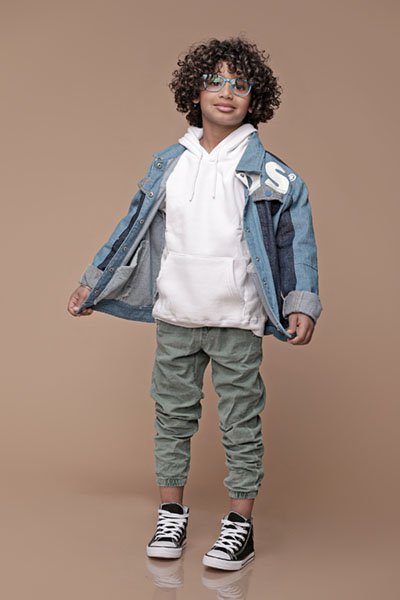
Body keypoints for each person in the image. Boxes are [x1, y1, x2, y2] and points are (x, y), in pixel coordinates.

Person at [67, 36, 323, 571]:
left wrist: (301, 302)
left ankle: (240, 524)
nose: (226, 93)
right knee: (172, 416)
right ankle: (171, 514)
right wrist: (95, 282)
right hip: (176, 315)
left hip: (237, 317)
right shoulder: (170, 164)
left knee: (240, 421)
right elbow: (131, 228)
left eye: (239, 84)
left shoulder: (272, 174)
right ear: (195, 92)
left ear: (255, 98)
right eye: (215, 82)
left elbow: (294, 239)